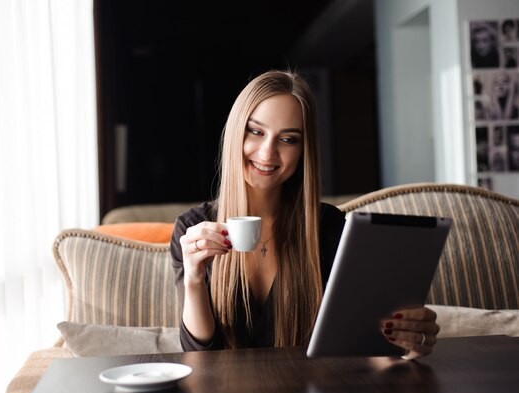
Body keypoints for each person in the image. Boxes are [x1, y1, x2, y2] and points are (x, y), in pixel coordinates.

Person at [171, 70, 440, 360]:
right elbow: (199, 354)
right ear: (237, 132)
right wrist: (194, 279)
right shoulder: (192, 229)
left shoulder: (328, 229)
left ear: (303, 151)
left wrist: (402, 346)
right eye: (256, 131)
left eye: (288, 139)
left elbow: (357, 350)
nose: (267, 152)